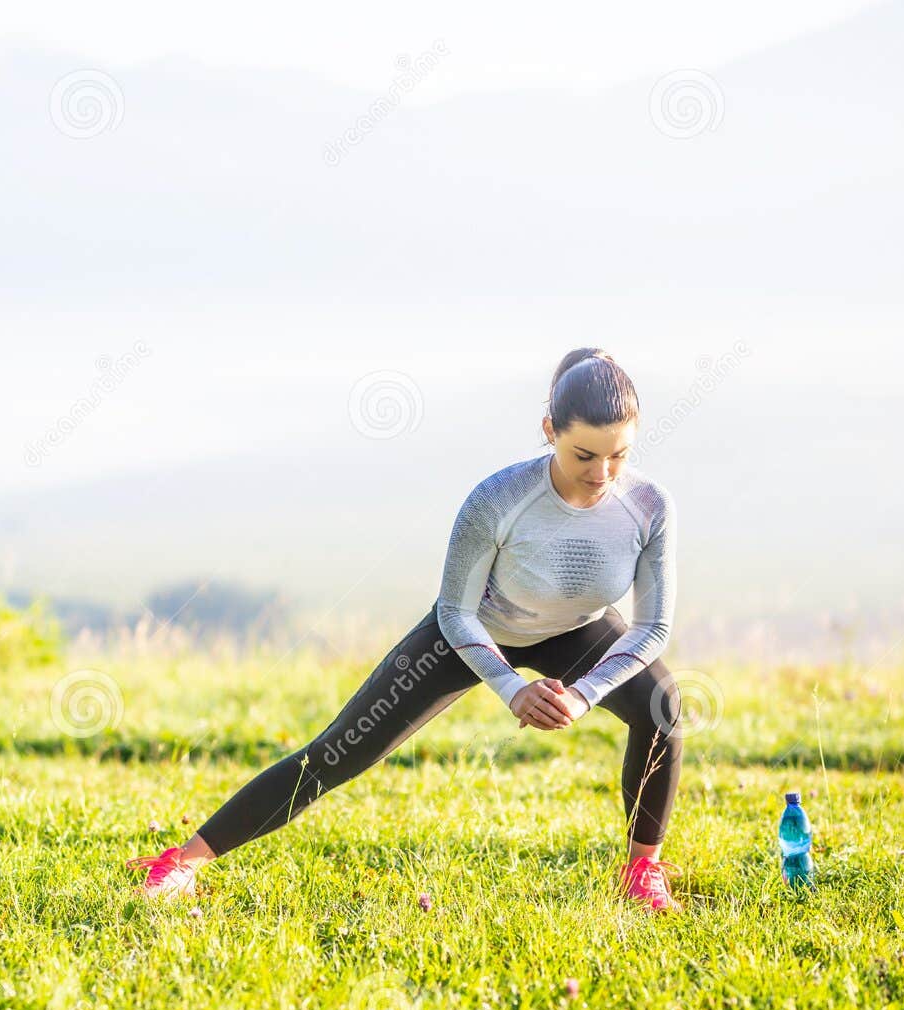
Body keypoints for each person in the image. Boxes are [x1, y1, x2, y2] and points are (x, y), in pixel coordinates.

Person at [128, 347, 684, 912]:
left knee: (662, 704)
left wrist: (585, 695)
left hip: (578, 630)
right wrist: (511, 687)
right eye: (583, 454)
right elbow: (455, 612)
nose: (601, 474)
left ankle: (642, 869)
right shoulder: (499, 498)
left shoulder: (647, 506)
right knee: (340, 750)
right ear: (549, 431)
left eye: (618, 455)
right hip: (476, 630)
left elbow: (653, 626)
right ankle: (182, 861)